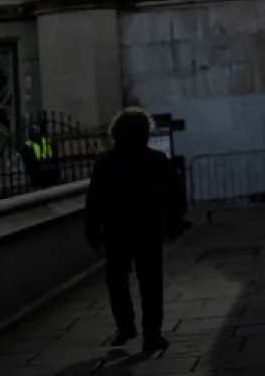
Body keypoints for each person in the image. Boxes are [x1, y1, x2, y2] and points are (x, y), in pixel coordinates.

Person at [85, 107, 186, 352]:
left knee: (117, 280)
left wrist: (93, 232)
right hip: (148, 228)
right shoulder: (156, 160)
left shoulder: (105, 163)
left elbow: (94, 201)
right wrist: (175, 221)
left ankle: (125, 325)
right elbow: (174, 193)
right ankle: (152, 334)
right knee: (151, 282)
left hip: (116, 230)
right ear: (145, 133)